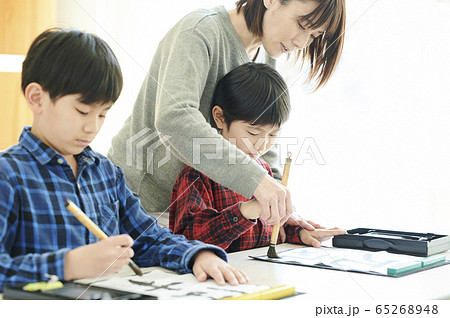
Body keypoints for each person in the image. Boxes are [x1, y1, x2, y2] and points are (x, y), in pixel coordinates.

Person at [0, 28, 248, 291]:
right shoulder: (9, 174)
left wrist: (198, 255)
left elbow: (147, 238)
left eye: (102, 114)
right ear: (36, 98)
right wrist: (67, 265)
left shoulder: (105, 172)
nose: (92, 127)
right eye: (82, 111)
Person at [108, 0, 346, 227]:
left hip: (194, 215)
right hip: (137, 202)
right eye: (302, 25)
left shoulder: (265, 55)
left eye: (314, 35)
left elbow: (264, 141)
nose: (302, 42)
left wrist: (278, 207)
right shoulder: (199, 32)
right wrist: (256, 182)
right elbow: (174, 119)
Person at [169, 62, 346, 252]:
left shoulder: (264, 170)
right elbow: (189, 239)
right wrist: (248, 210)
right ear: (220, 118)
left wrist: (300, 233)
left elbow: (272, 231)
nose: (262, 145)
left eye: (273, 135)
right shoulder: (198, 173)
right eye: (253, 133)